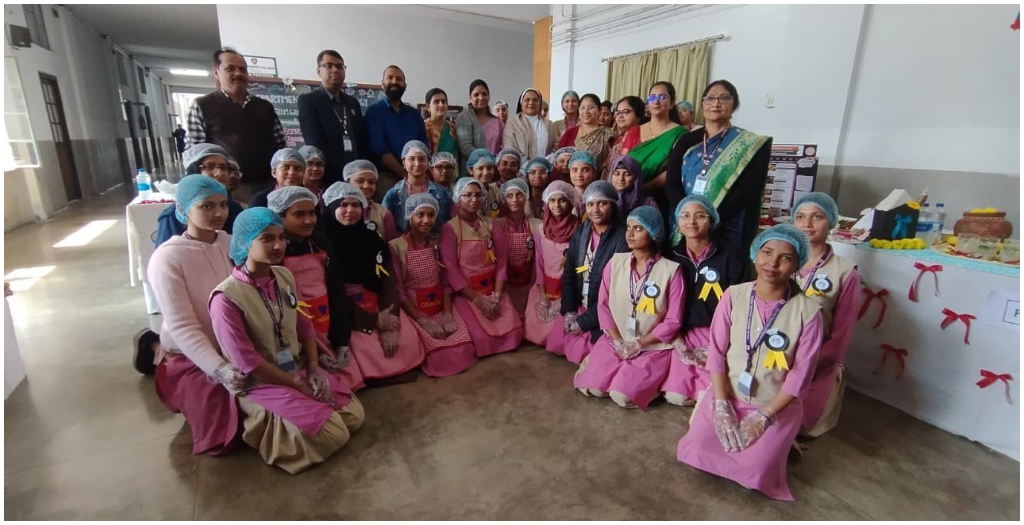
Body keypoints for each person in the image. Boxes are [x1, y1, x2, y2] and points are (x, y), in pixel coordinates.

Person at [209, 207, 364, 474]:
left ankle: (307, 412)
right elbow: (248, 362)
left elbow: (304, 326)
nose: (279, 245)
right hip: (261, 382)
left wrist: (314, 370)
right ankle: (264, 421)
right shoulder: (226, 298)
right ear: (245, 242)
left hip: (297, 367)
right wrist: (297, 385)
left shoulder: (283, 276)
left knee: (354, 416)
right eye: (267, 239)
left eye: (281, 237)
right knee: (334, 435)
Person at [676, 224, 823, 501]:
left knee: (756, 473)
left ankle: (781, 440)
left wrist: (763, 417)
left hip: (773, 406)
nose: (773, 263)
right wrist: (720, 404)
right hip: (728, 395)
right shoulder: (734, 295)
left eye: (785, 257)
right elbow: (717, 352)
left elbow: (801, 374)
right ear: (755, 254)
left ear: (796, 265)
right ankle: (773, 441)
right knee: (694, 451)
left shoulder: (808, 313)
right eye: (767, 252)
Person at [147, 175, 243, 455]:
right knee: (223, 434)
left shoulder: (232, 244)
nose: (218, 214)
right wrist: (219, 368)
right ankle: (157, 352)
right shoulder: (168, 258)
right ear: (183, 210)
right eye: (207, 206)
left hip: (236, 343)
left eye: (223, 205)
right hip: (193, 355)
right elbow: (183, 325)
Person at [572, 206, 683, 409]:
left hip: (651, 346)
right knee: (594, 389)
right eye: (629, 227)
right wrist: (617, 342)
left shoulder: (671, 271)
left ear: (654, 232)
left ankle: (656, 381)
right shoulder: (615, 263)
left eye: (638, 229)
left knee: (623, 396)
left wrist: (639, 344)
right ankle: (611, 367)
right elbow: (603, 305)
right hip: (617, 340)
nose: (630, 234)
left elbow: (673, 320)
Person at [321, 182, 425, 383]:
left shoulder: (372, 239)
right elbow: (332, 294)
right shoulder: (323, 245)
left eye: (356, 205)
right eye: (343, 205)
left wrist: (389, 320)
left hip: (375, 298)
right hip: (344, 309)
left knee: (408, 337)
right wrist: (373, 320)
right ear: (332, 208)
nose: (350, 210)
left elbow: (388, 279)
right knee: (363, 348)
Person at [267, 186, 363, 391]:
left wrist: (340, 340)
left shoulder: (322, 244)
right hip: (292, 329)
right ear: (279, 216)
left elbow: (336, 291)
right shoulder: (273, 254)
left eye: (312, 213)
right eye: (299, 214)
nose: (309, 220)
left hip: (325, 318)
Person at [661, 195, 752, 406]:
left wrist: (726, 342)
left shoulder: (732, 257)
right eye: (685, 216)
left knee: (710, 396)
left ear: (711, 220)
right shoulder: (670, 256)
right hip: (681, 335)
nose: (691, 222)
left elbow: (742, 306)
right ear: (677, 221)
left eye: (700, 216)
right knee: (677, 397)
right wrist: (675, 337)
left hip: (719, 336)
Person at [665, 79, 773, 252]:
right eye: (710, 98)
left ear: (734, 104)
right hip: (685, 223)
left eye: (723, 98)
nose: (716, 103)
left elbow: (748, 189)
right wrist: (686, 215)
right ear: (702, 104)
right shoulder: (687, 140)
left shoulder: (748, 144)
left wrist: (710, 219)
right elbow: (672, 182)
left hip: (727, 224)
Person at [790, 192, 859, 440]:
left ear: (830, 222)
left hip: (817, 362)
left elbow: (842, 335)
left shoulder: (844, 272)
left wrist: (804, 367)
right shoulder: (781, 260)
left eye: (816, 217)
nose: (807, 224)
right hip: (778, 355)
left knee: (800, 427)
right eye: (800, 217)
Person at [390, 193, 478, 377]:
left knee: (464, 343)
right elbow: (398, 290)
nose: (426, 220)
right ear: (409, 216)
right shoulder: (396, 246)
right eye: (420, 215)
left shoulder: (437, 244)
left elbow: (445, 282)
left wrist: (447, 314)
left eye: (431, 215)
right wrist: (422, 320)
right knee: (437, 352)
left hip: (440, 304)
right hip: (413, 309)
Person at [439, 178, 525, 357]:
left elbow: (501, 261)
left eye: (478, 195)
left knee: (515, 333)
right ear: (457, 198)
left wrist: (497, 296)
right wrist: (478, 300)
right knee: (481, 338)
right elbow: (451, 270)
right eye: (467, 195)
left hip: (492, 291)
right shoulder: (449, 229)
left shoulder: (491, 224)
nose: (473, 199)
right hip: (467, 293)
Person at [188, 48, 286, 203]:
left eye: (242, 69)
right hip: (226, 188)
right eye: (230, 69)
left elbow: (281, 146)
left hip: (267, 184)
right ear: (216, 72)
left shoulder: (265, 106)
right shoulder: (203, 105)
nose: (238, 73)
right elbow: (194, 155)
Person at [554, 181, 629, 364]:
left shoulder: (622, 238)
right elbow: (571, 270)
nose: (595, 209)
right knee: (557, 340)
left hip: (605, 311)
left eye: (602, 203)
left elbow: (617, 292)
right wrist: (570, 310)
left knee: (593, 354)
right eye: (590, 204)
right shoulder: (583, 231)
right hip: (582, 304)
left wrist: (585, 321)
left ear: (613, 204)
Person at [297, 50, 370, 187]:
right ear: (319, 71)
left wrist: (360, 169)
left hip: (357, 175)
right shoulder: (308, 101)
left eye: (339, 66)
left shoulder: (352, 103)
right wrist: (342, 170)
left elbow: (361, 139)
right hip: (329, 176)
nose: (335, 70)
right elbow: (315, 141)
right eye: (329, 65)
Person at [154, 143, 245, 247]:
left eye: (224, 167)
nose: (219, 173)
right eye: (209, 167)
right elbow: (165, 254)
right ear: (194, 172)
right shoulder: (172, 216)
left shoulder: (234, 209)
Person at [524, 181, 579, 347]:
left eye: (562, 200)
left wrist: (568, 294)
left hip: (569, 287)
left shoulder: (579, 229)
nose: (557, 205)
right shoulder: (541, 229)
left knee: (558, 332)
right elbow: (539, 262)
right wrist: (542, 292)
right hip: (545, 286)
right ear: (547, 203)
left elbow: (580, 263)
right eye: (552, 201)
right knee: (533, 329)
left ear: (570, 202)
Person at [365, 65, 430, 198]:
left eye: (399, 79)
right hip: (386, 178)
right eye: (390, 78)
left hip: (416, 177)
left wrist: (415, 175)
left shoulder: (414, 115)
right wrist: (405, 174)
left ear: (405, 85)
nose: (394, 81)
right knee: (390, 215)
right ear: (382, 84)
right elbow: (379, 149)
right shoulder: (374, 112)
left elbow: (423, 146)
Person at [625, 82, 687, 203]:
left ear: (672, 103)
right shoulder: (635, 130)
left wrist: (643, 189)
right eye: (652, 97)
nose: (656, 102)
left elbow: (673, 170)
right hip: (627, 192)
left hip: (657, 197)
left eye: (662, 97)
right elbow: (622, 162)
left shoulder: (680, 134)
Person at [382, 140, 453, 235]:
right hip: (404, 247)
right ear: (403, 162)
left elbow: (450, 224)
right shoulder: (393, 194)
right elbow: (385, 224)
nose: (417, 164)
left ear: (428, 162)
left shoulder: (442, 193)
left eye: (422, 159)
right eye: (411, 159)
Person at [494, 179, 542, 318]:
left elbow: (539, 259)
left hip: (529, 281)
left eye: (519, 195)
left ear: (526, 197)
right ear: (504, 199)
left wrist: (534, 285)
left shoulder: (536, 224)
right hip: (505, 283)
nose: (515, 199)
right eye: (510, 196)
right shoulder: (497, 224)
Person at [556, 93, 617, 174]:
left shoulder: (609, 134)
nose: (586, 111)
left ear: (599, 110)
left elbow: (613, 162)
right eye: (583, 108)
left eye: (591, 107)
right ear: (578, 110)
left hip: (598, 182)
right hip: (570, 181)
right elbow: (557, 160)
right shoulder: (569, 133)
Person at [456, 79, 504, 177]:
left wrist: (496, 164)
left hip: (494, 171)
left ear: (489, 96)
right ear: (470, 98)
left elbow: (502, 147)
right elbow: (466, 148)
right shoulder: (464, 117)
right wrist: (486, 162)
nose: (481, 97)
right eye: (476, 95)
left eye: (484, 94)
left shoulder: (497, 121)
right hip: (473, 172)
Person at [342, 160, 399, 241]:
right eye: (360, 181)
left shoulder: (383, 213)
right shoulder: (339, 211)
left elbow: (392, 245)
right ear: (348, 182)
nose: (366, 186)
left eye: (371, 182)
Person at [502, 88, 557, 159]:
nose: (531, 102)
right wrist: (529, 165)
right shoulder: (512, 124)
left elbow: (556, 146)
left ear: (540, 103)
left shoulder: (550, 125)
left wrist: (545, 163)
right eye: (527, 100)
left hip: (545, 167)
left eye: (535, 100)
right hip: (520, 168)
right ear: (521, 103)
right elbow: (510, 148)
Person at [608, 156, 656, 221]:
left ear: (636, 177)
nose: (621, 179)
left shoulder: (649, 204)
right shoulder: (603, 200)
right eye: (617, 174)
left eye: (627, 174)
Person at [466, 148, 503, 219]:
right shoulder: (464, 193)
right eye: (480, 168)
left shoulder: (497, 192)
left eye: (489, 168)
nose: (485, 173)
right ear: (471, 170)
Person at [423, 88, 459, 159]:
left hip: (450, 168)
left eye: (443, 101)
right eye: (436, 102)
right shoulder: (422, 127)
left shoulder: (453, 128)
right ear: (428, 106)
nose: (441, 105)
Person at [567, 151, 598, 218]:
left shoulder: (598, 197)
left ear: (594, 173)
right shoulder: (563, 196)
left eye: (585, 170)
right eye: (575, 170)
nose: (579, 175)